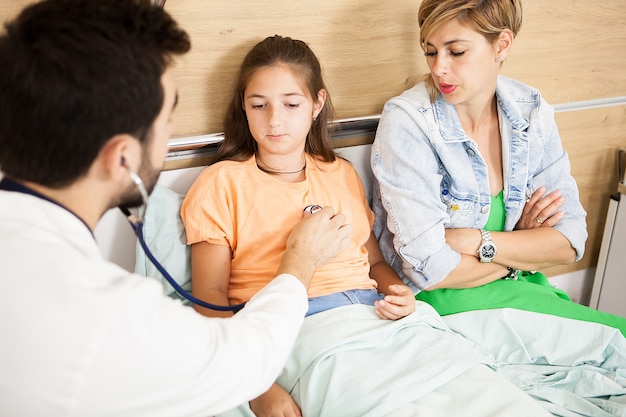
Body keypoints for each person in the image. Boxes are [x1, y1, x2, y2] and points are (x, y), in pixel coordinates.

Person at [0, 1, 354, 416]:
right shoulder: (109, 315)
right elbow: (242, 360)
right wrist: (301, 257)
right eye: (168, 119)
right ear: (122, 159)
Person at [180, 35, 416, 416]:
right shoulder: (221, 183)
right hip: (296, 328)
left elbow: (373, 264)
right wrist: (257, 387)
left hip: (371, 315)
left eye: (291, 104)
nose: (275, 120)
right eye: (259, 105)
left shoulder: (341, 174)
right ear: (244, 106)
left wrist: (397, 292)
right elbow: (209, 297)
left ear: (317, 104)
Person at [371, 0, 626, 334]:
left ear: (502, 44)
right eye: (431, 52)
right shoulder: (408, 123)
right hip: (449, 309)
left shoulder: (531, 111)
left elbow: (569, 242)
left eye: (456, 52)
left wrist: (476, 240)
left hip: (525, 290)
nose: (439, 68)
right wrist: (520, 244)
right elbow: (433, 272)